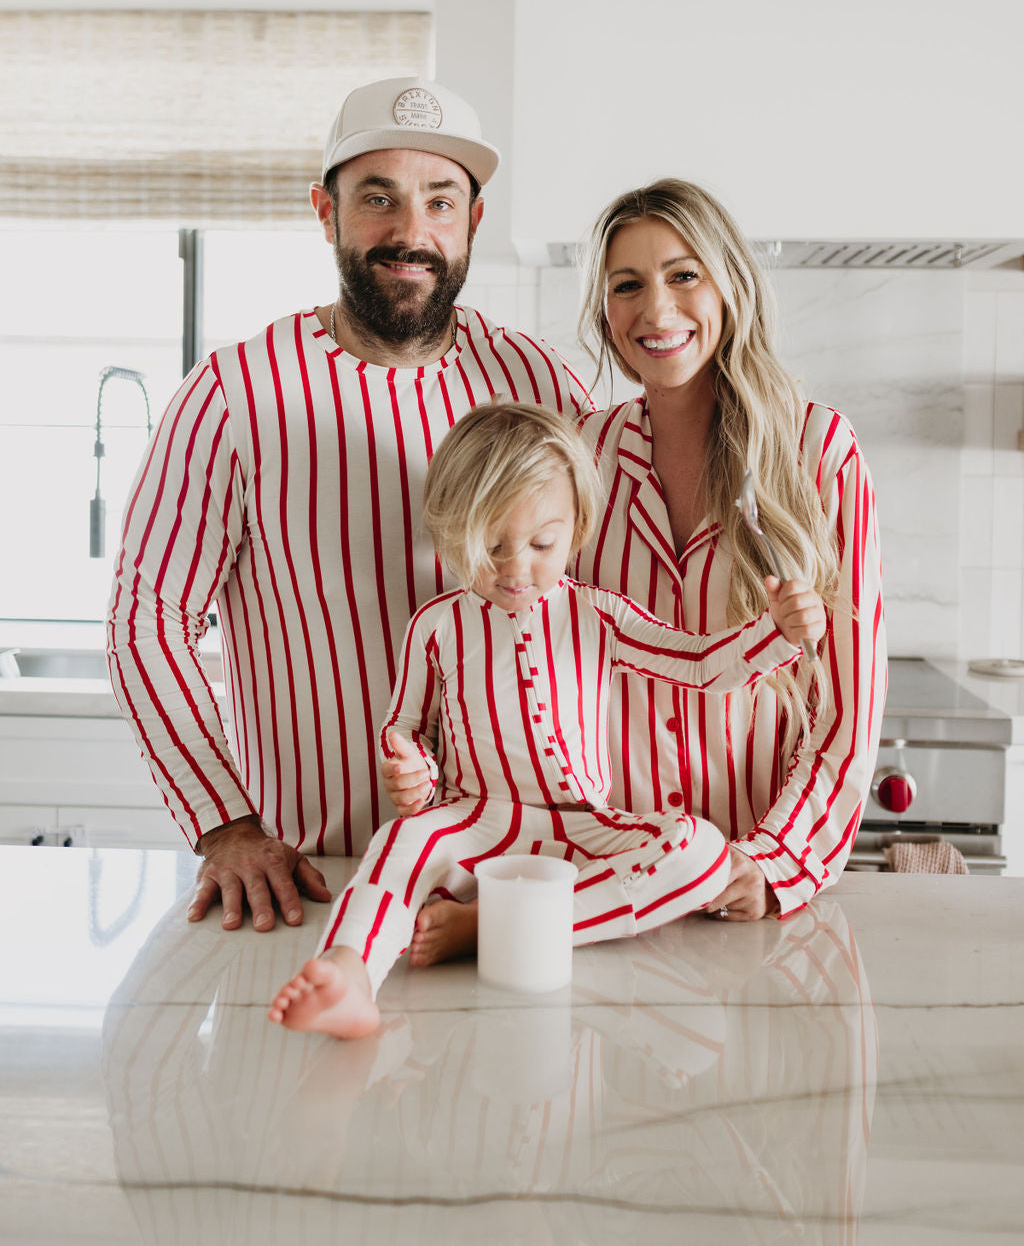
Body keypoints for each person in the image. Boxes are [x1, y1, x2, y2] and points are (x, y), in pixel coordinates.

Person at [106, 77, 591, 934]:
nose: (412, 232)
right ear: (325, 213)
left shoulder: (540, 384)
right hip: (314, 888)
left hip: (515, 886)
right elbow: (148, 621)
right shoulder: (234, 394)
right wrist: (226, 823)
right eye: (378, 199)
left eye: (440, 201)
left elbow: (599, 602)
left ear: (474, 221)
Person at [267, 402, 826, 1038]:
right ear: (451, 532)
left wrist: (775, 635)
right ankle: (348, 971)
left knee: (704, 854)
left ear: (577, 529)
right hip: (474, 817)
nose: (514, 570)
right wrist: (411, 771)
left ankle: (496, 931)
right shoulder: (438, 626)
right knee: (398, 845)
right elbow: (404, 726)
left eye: (540, 545)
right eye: (490, 546)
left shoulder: (600, 616)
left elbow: (698, 664)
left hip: (587, 828)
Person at [573, 178, 886, 921]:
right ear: (605, 310)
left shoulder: (819, 451)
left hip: (750, 889)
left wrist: (771, 860)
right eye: (628, 284)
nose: (657, 309)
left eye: (685, 274)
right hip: (611, 885)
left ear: (730, 286)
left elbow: (849, 708)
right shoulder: (582, 454)